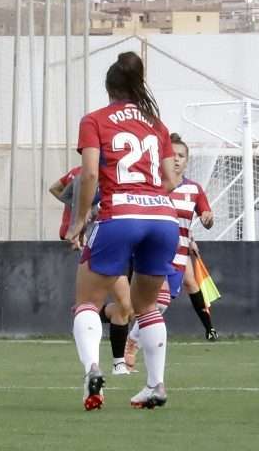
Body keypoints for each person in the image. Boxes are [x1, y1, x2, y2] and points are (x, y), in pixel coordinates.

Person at [65, 51, 181, 411]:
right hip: (164, 218)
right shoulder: (156, 125)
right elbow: (171, 180)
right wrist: (148, 202)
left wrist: (78, 220)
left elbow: (89, 174)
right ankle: (155, 385)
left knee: (88, 301)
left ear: (109, 89)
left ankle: (92, 371)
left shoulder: (94, 120)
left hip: (119, 215)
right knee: (147, 306)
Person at [124, 133, 218, 367]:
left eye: (181, 155)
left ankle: (131, 338)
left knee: (160, 304)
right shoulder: (154, 186)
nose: (176, 159)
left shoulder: (194, 190)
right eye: (172, 154)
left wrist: (207, 219)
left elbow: (206, 215)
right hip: (152, 251)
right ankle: (131, 345)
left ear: (187, 161)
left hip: (179, 254)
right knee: (158, 300)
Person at [52, 168, 135, 375]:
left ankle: (89, 316)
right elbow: (72, 198)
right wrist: (79, 219)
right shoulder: (85, 175)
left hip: (114, 245)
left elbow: (60, 191)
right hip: (97, 245)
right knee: (123, 304)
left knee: (125, 306)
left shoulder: (118, 174)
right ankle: (108, 364)